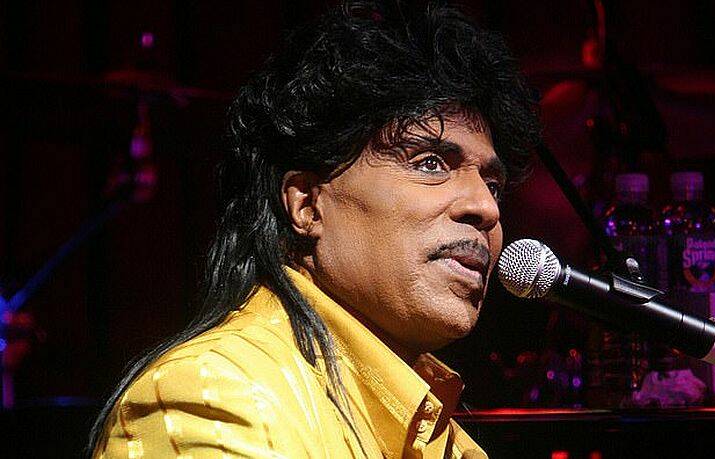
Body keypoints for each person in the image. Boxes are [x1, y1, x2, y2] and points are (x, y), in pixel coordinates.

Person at [89, 2, 540, 457]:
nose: (486, 208)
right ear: (306, 205)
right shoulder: (216, 395)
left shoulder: (441, 433)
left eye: (493, 186)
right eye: (430, 163)